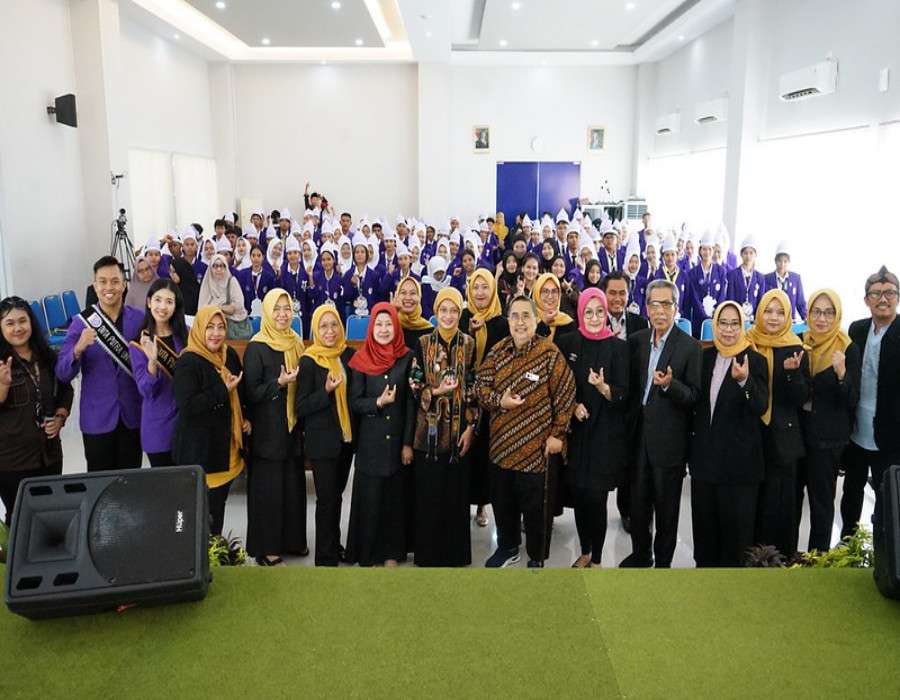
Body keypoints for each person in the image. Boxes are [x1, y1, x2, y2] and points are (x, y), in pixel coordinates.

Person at [476, 295, 576, 568]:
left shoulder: (549, 354)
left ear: (536, 320)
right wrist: (499, 401)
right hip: (501, 448)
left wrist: (558, 434)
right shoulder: (497, 351)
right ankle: (508, 548)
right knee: (503, 505)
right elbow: (480, 388)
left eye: (525, 316)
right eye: (514, 316)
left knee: (536, 511)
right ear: (508, 320)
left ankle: (536, 556)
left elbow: (566, 394)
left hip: (536, 453)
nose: (520, 322)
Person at [621, 279, 701, 568]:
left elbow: (694, 396)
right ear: (646, 308)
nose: (660, 310)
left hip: (669, 442)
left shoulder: (690, 347)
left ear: (676, 308)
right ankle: (641, 555)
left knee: (666, 510)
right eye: (654, 304)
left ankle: (663, 564)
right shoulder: (637, 341)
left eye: (666, 304)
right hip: (637, 438)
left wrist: (669, 385)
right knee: (638, 505)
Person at [689, 301, 768, 566]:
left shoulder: (755, 360)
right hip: (705, 463)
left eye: (735, 324)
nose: (728, 330)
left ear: (743, 326)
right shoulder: (705, 357)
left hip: (739, 468)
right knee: (705, 534)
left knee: (736, 539)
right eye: (723, 323)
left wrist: (744, 381)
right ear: (714, 325)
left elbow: (760, 406)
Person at [556, 289, 629, 567]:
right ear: (581, 313)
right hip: (576, 435)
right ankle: (585, 550)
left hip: (605, 436)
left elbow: (624, 393)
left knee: (597, 498)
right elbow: (559, 385)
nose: (595, 317)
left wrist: (603, 388)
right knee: (579, 495)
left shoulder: (618, 348)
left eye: (600, 312)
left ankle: (596, 558)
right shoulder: (569, 343)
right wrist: (573, 405)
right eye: (589, 312)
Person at [408, 287, 477, 567]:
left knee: (455, 496)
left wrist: (471, 427)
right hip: (429, 435)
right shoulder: (423, 342)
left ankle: (455, 556)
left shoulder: (469, 344)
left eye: (453, 311)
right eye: (443, 310)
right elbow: (414, 384)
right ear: (435, 312)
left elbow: (474, 387)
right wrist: (436, 391)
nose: (448, 316)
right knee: (429, 494)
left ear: (460, 313)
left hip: (459, 433)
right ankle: (428, 556)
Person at [57, 256, 144, 471]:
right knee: (99, 482)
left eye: (115, 281)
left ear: (124, 285)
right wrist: (78, 349)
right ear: (94, 286)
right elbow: (62, 373)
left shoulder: (140, 319)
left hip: (132, 415)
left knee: (132, 480)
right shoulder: (81, 323)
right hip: (97, 418)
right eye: (102, 282)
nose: (109, 287)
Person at [243, 289, 308, 566]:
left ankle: (292, 541)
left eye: (287, 308)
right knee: (268, 491)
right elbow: (251, 393)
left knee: (292, 488)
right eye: (277, 309)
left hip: (292, 429)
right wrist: (279, 384)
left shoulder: (296, 343)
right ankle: (267, 548)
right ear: (267, 312)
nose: (282, 314)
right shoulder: (256, 347)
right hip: (268, 431)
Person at [347, 304, 416, 566]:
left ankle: (392, 553)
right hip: (370, 444)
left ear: (396, 327)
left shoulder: (407, 357)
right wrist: (377, 402)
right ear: (371, 327)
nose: (384, 330)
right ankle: (367, 553)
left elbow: (410, 404)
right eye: (379, 324)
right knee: (371, 500)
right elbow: (355, 402)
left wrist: (407, 443)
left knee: (393, 501)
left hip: (397, 443)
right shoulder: (360, 359)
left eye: (389, 324)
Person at [172, 306, 249, 535]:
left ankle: (214, 550)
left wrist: (245, 417)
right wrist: (222, 390)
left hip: (225, 449)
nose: (216, 333)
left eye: (221, 327)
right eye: (210, 327)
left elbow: (241, 390)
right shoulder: (188, 361)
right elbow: (188, 406)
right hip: (201, 452)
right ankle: (198, 554)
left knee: (217, 508)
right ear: (199, 329)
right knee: (197, 515)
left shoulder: (229, 354)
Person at [746, 289, 809, 559]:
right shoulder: (747, 343)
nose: (773, 317)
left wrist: (793, 374)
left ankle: (779, 558)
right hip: (751, 433)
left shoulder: (796, 347)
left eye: (780, 312)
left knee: (779, 502)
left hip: (782, 437)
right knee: (753, 501)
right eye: (768, 311)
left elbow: (801, 399)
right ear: (759, 312)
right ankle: (751, 557)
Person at [796, 289, 860, 552]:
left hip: (827, 439)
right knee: (790, 500)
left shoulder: (847, 348)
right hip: (797, 435)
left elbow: (852, 399)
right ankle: (785, 556)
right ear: (808, 313)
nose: (822, 319)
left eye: (828, 312)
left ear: (837, 315)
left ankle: (817, 559)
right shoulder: (800, 342)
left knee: (821, 503)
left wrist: (842, 374)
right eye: (816, 312)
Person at [0, 297, 73, 525]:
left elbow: (65, 390)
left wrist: (60, 417)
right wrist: (3, 385)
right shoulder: (1, 364)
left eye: (23, 321)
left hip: (49, 454)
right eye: (10, 323)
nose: (18, 328)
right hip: (13, 460)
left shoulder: (48, 357)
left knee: (51, 513)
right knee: (19, 517)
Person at [841, 266, 900, 542]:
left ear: (897, 298)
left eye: (889, 293)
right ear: (866, 300)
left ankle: (884, 551)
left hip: (890, 433)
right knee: (851, 493)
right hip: (856, 429)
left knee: (886, 498)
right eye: (876, 293)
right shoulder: (857, 329)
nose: (883, 299)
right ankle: (847, 545)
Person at [296, 305, 356, 566]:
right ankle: (325, 556)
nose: (330, 331)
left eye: (334, 325)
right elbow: (301, 406)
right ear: (315, 330)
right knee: (327, 499)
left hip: (346, 441)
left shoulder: (349, 355)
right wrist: (326, 391)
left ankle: (334, 545)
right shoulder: (309, 360)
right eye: (323, 326)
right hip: (322, 443)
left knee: (337, 497)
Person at [600, 270, 650, 532]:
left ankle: (627, 510)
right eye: (612, 293)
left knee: (631, 462)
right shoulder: (595, 320)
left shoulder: (640, 324)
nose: (617, 298)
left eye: (622, 293)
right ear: (604, 294)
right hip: (603, 401)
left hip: (631, 404)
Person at [459, 269, 509, 529]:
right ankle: (461, 502)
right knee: (464, 451)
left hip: (491, 399)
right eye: (475, 287)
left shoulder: (501, 323)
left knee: (485, 454)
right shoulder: (462, 317)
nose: (480, 292)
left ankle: (481, 504)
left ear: (492, 290)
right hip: (464, 398)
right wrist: (468, 332)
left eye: (485, 287)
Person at [127, 279, 188, 467]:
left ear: (176, 306)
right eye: (158, 300)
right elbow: (146, 390)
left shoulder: (186, 335)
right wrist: (153, 361)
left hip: (187, 423)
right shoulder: (139, 344)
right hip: (159, 427)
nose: (163, 307)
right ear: (148, 302)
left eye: (169, 301)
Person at [685, 232, 728, 336]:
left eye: (709, 249)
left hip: (716, 318)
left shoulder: (721, 271)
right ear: (700, 251)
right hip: (698, 319)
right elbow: (694, 297)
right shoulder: (692, 273)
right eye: (704, 249)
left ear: (713, 250)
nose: (707, 252)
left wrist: (716, 312)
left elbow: (722, 295)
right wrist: (704, 315)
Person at [198, 253, 251, 339]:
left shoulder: (232, 282)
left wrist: (218, 307)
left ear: (226, 267)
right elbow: (201, 309)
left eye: (222, 266)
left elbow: (237, 307)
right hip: (210, 330)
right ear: (211, 268)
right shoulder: (207, 284)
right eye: (215, 266)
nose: (219, 269)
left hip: (232, 329)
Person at [765, 242, 807, 322]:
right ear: (775, 261)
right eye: (779, 261)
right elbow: (764, 303)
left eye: (785, 261)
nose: (782, 264)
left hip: (790, 321)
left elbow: (800, 303)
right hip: (773, 321)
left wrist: (805, 317)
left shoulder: (796, 278)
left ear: (789, 262)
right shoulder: (766, 279)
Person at [726, 237, 766, 321]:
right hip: (736, 319)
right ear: (741, 254)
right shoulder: (732, 275)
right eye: (745, 253)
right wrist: (736, 317)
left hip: (753, 321)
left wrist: (756, 319)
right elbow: (731, 299)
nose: (748, 256)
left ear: (755, 255)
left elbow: (761, 302)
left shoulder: (760, 278)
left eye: (751, 253)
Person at [532, 273, 576, 342]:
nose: (550, 296)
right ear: (537, 293)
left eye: (554, 291)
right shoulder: (526, 321)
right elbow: (526, 347)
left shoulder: (568, 323)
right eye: (545, 291)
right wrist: (543, 324)